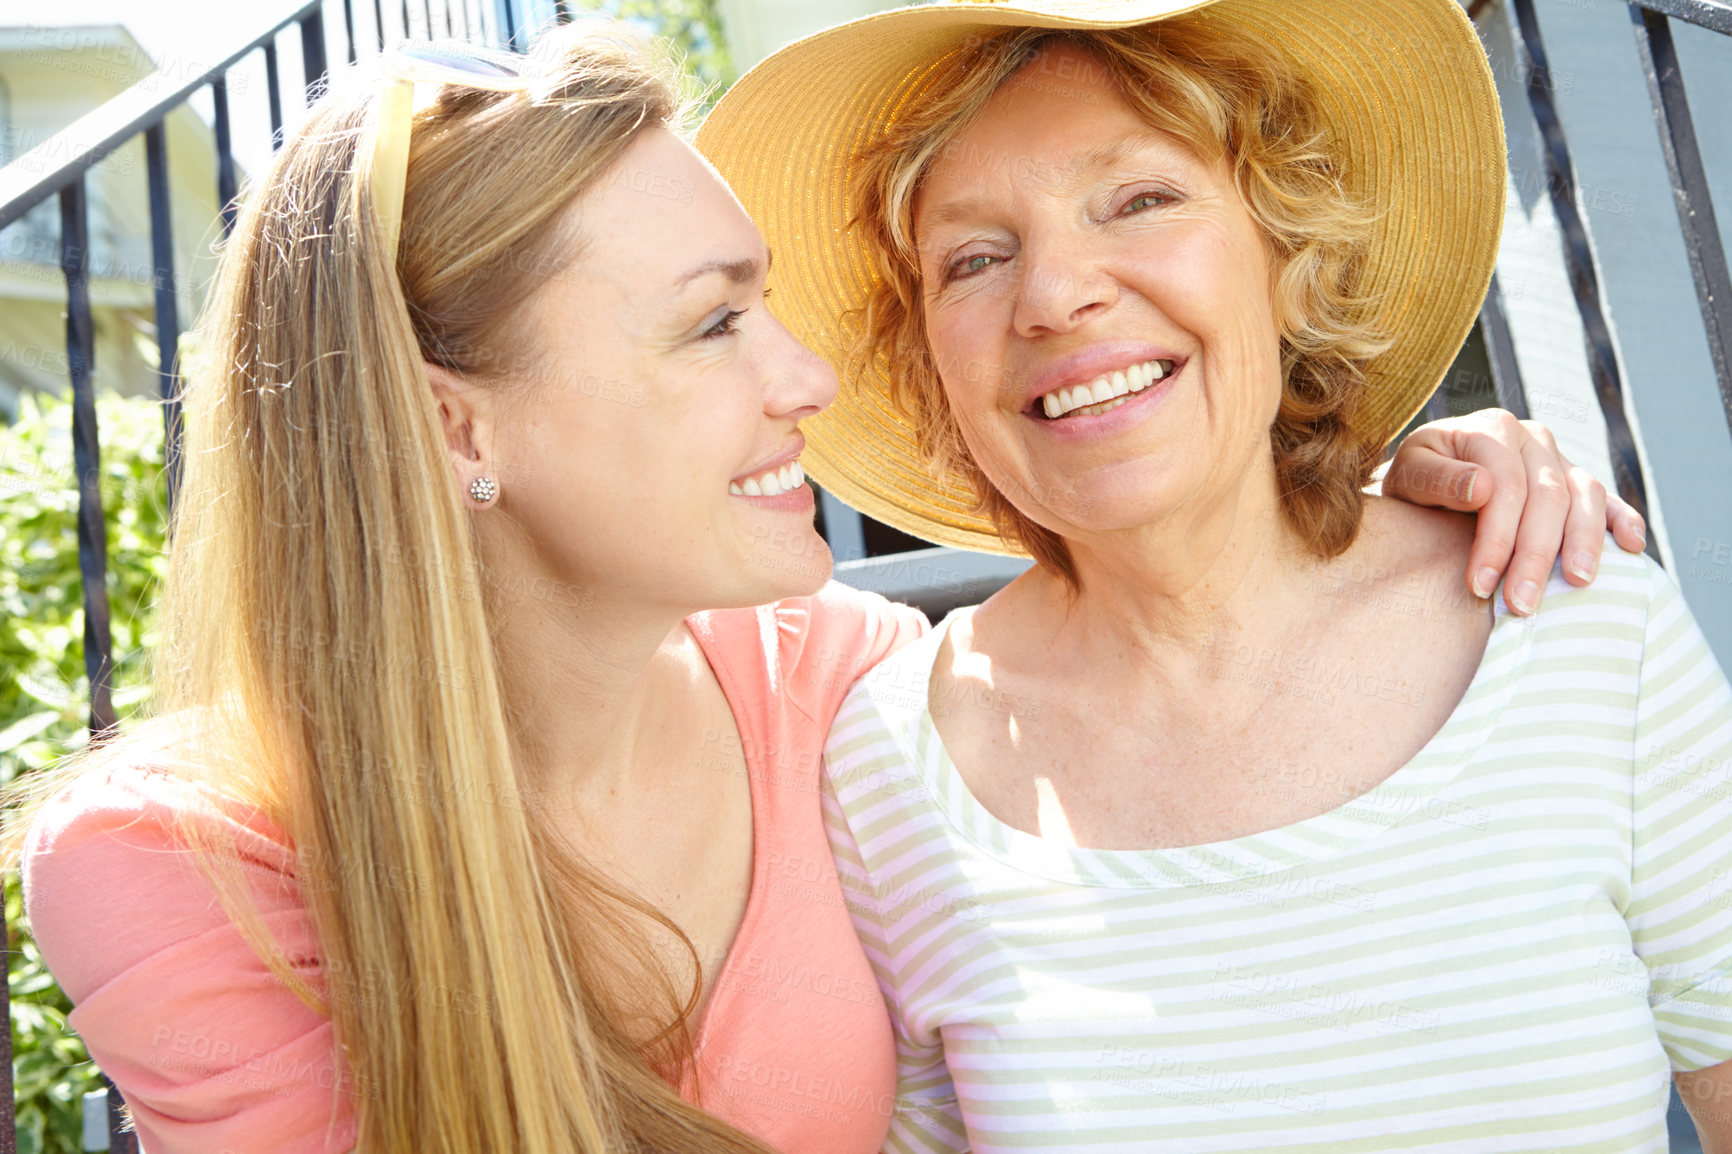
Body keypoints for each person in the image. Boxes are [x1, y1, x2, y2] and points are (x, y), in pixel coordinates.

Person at [6, 15, 1633, 1154]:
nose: (804, 377)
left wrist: (1367, 494)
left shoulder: (838, 695)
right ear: (454, 423)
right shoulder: (179, 861)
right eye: (712, 322)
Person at [699, 0, 1732, 1150]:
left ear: (1284, 249)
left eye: (1138, 199)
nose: (1053, 296)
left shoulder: (1570, 613)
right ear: (928, 358)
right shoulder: (884, 767)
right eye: (976, 258)